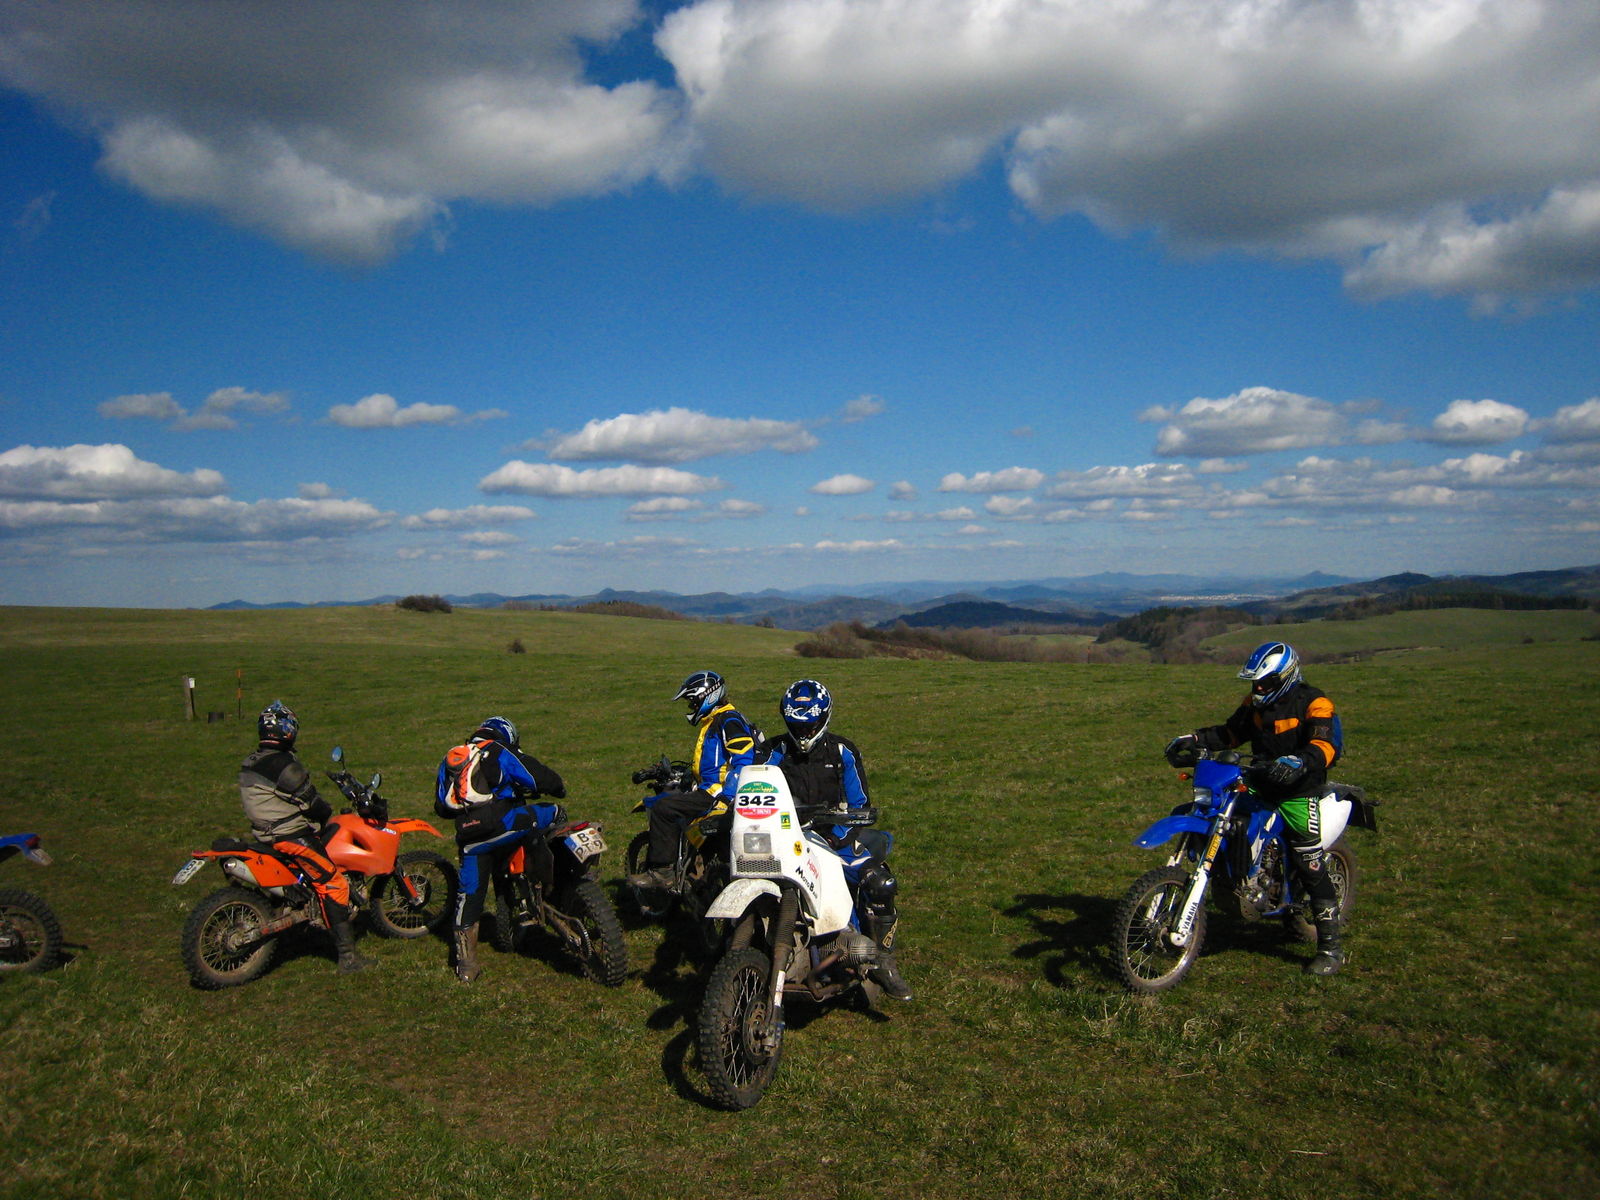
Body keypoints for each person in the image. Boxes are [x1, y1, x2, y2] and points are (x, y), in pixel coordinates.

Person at [1166, 641, 1346, 976]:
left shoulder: (1315, 702)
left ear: (1286, 676)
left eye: (1265, 682)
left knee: (1309, 862)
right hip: (1260, 782)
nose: (1259, 688)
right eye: (1255, 683)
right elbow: (1231, 733)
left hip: (1299, 790)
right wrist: (1195, 739)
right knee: (1221, 819)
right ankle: (1241, 879)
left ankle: (1331, 948)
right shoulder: (1254, 704)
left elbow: (1326, 744)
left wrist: (1299, 762)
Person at [757, 679, 912, 1001]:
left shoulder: (843, 751)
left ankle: (882, 961)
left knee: (880, 883)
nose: (803, 732)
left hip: (834, 838)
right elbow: (752, 788)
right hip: (782, 838)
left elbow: (859, 803)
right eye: (796, 725)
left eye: (809, 725)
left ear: (824, 718)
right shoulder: (772, 751)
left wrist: (836, 836)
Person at [238, 700, 374, 974]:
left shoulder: (252, 760)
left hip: (264, 833)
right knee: (334, 883)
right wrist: (325, 815)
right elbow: (314, 804)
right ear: (287, 730)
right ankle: (348, 957)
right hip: (288, 835)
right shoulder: (284, 765)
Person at [434, 715, 565, 982]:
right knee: (554, 813)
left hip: (471, 840)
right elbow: (536, 778)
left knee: (469, 895)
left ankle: (466, 965)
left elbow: (441, 807)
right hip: (505, 825)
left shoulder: (452, 759)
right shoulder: (498, 750)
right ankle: (558, 885)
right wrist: (558, 788)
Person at [625, 670, 755, 894]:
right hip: (711, 789)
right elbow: (715, 763)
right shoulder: (716, 720)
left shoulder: (728, 720)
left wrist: (727, 797)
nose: (691, 707)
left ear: (707, 697)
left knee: (663, 807)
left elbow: (744, 761)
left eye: (693, 702)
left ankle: (663, 872)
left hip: (716, 793)